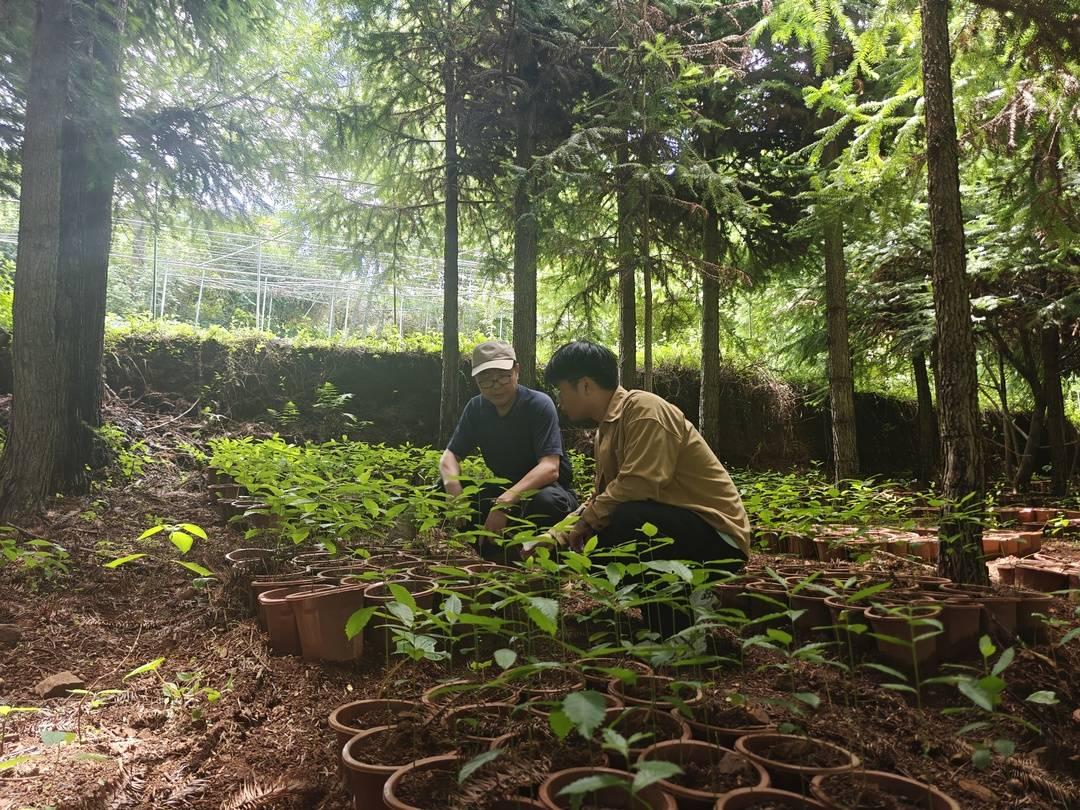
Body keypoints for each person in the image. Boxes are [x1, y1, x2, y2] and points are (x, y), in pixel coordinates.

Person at [543, 340, 750, 569]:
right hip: (679, 526)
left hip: (719, 538)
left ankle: (677, 591)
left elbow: (639, 485)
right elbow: (602, 498)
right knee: (603, 528)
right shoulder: (606, 431)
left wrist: (587, 521)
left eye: (561, 390)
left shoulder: (644, 410)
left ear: (585, 386)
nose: (559, 402)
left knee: (626, 517)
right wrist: (556, 535)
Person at [441, 340, 579, 559]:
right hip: (504, 488)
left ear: (517, 370)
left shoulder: (539, 404)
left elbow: (550, 468)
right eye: (486, 380)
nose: (495, 386)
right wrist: (453, 490)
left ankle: (545, 559)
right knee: (442, 488)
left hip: (546, 490)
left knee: (548, 502)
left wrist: (503, 504)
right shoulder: (476, 408)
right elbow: (449, 457)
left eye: (503, 376)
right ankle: (491, 555)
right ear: (476, 381)